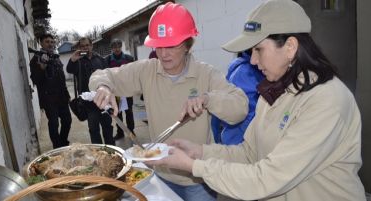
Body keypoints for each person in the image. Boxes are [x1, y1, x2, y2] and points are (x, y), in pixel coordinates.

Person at [147, 0, 367, 200]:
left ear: (290, 47)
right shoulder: (274, 94)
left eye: (258, 49)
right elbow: (249, 153)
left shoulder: (326, 100)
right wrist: (200, 152)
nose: (252, 60)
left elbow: (268, 178)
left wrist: (195, 167)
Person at [89, 2, 248, 201]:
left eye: (171, 45)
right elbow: (100, 75)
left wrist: (208, 99)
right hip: (159, 175)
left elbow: (240, 107)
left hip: (197, 180)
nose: (163, 54)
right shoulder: (147, 70)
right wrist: (103, 87)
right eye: (159, 46)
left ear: (188, 44)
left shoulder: (206, 74)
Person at [66, 37, 114, 145]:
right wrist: (73, 59)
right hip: (89, 103)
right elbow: (69, 69)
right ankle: (99, 152)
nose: (85, 48)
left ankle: (111, 149)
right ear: (79, 48)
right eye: (82, 46)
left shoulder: (100, 59)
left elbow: (108, 76)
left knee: (107, 127)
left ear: (91, 46)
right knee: (93, 129)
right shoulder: (78, 61)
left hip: (103, 100)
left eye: (87, 45)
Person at [211, 50, 264, 145]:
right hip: (240, 141)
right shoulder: (244, 73)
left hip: (239, 140)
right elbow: (248, 113)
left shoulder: (249, 70)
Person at [29, 33, 72, 149]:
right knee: (54, 123)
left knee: (67, 120)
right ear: (41, 43)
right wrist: (41, 68)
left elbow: (61, 78)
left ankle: (63, 142)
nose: (50, 44)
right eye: (47, 41)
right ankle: (57, 147)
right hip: (49, 99)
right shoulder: (36, 59)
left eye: (52, 42)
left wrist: (67, 94)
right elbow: (36, 80)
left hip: (62, 97)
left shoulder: (55, 57)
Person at [105, 39, 135, 140]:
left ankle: (131, 131)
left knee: (129, 112)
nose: (117, 49)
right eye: (114, 47)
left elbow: (133, 74)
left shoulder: (129, 58)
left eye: (118, 46)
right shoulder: (107, 60)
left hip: (127, 90)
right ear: (111, 48)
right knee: (118, 112)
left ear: (121, 46)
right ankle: (120, 132)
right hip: (115, 91)